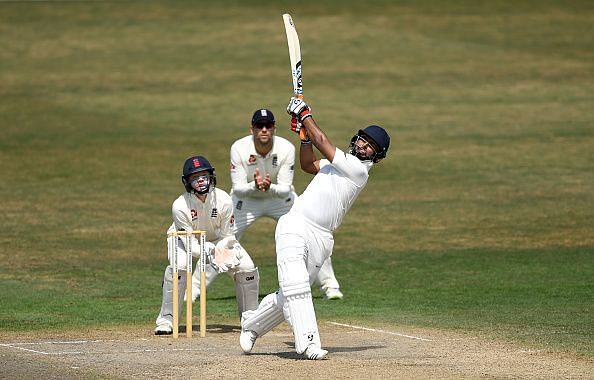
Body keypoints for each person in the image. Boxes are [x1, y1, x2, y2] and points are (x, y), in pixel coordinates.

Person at [238, 98, 390, 359]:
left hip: (322, 237)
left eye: (370, 146)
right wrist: (305, 139)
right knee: (296, 287)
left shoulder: (357, 170)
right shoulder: (339, 162)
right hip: (295, 223)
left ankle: (252, 324)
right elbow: (309, 165)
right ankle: (308, 343)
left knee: (291, 294)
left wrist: (305, 115)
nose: (363, 146)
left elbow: (323, 141)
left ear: (376, 155)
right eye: (362, 140)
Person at [191, 108, 344, 302]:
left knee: (310, 233)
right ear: (251, 129)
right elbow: (237, 188)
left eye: (268, 126)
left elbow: (286, 188)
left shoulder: (286, 148)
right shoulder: (239, 148)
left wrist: (269, 186)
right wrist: (254, 185)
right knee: (224, 242)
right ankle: (194, 289)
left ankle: (330, 287)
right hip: (246, 201)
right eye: (259, 126)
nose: (264, 130)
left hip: (280, 200)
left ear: (274, 129)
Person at [155, 155, 259, 335]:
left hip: (217, 241)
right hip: (182, 239)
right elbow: (191, 246)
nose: (201, 180)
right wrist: (210, 251)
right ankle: (167, 320)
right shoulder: (180, 206)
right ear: (187, 182)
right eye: (195, 177)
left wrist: (221, 249)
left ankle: (250, 318)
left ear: (212, 177)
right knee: (178, 268)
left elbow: (229, 235)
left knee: (246, 267)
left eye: (204, 176)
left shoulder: (224, 200)